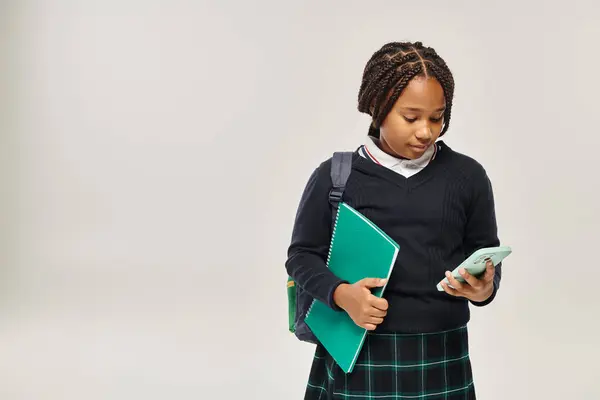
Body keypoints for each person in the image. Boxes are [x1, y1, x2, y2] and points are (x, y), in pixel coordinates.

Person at [285, 41, 502, 399]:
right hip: (357, 350)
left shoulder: (468, 177)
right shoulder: (335, 177)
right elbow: (301, 257)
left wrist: (484, 289)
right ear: (378, 108)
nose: (426, 131)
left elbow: (484, 252)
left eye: (437, 117)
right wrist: (341, 295)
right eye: (411, 117)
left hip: (441, 351)